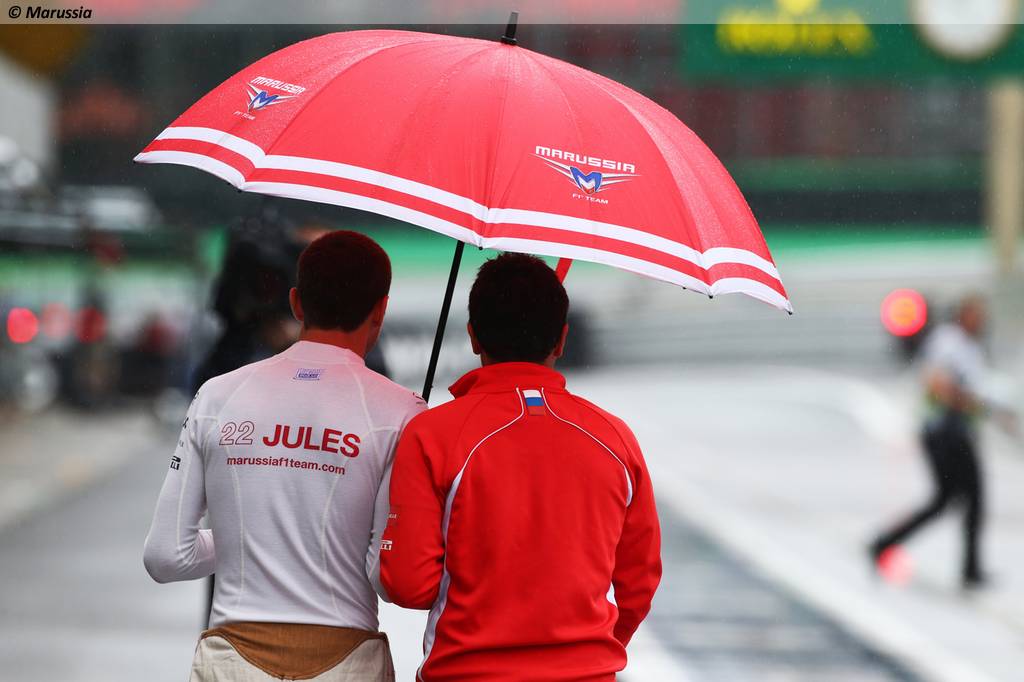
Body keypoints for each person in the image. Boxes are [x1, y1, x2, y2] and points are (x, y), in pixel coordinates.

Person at [143, 230, 424, 681]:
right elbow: (387, 576)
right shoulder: (403, 413)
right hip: (347, 663)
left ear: (295, 303)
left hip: (232, 661)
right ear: (381, 310)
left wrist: (250, 536)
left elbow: (166, 557)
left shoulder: (217, 395)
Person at [380, 253, 662, 681]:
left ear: (473, 337)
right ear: (562, 340)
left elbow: (408, 584)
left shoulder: (431, 434)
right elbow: (639, 583)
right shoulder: (615, 437)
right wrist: (584, 654)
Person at [870, 295, 1005, 589]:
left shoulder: (970, 346)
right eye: (976, 314)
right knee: (964, 498)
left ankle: (885, 543)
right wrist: (968, 403)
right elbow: (936, 382)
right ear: (962, 314)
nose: (981, 320)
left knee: (950, 500)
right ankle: (967, 569)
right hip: (944, 431)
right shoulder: (947, 341)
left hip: (958, 431)